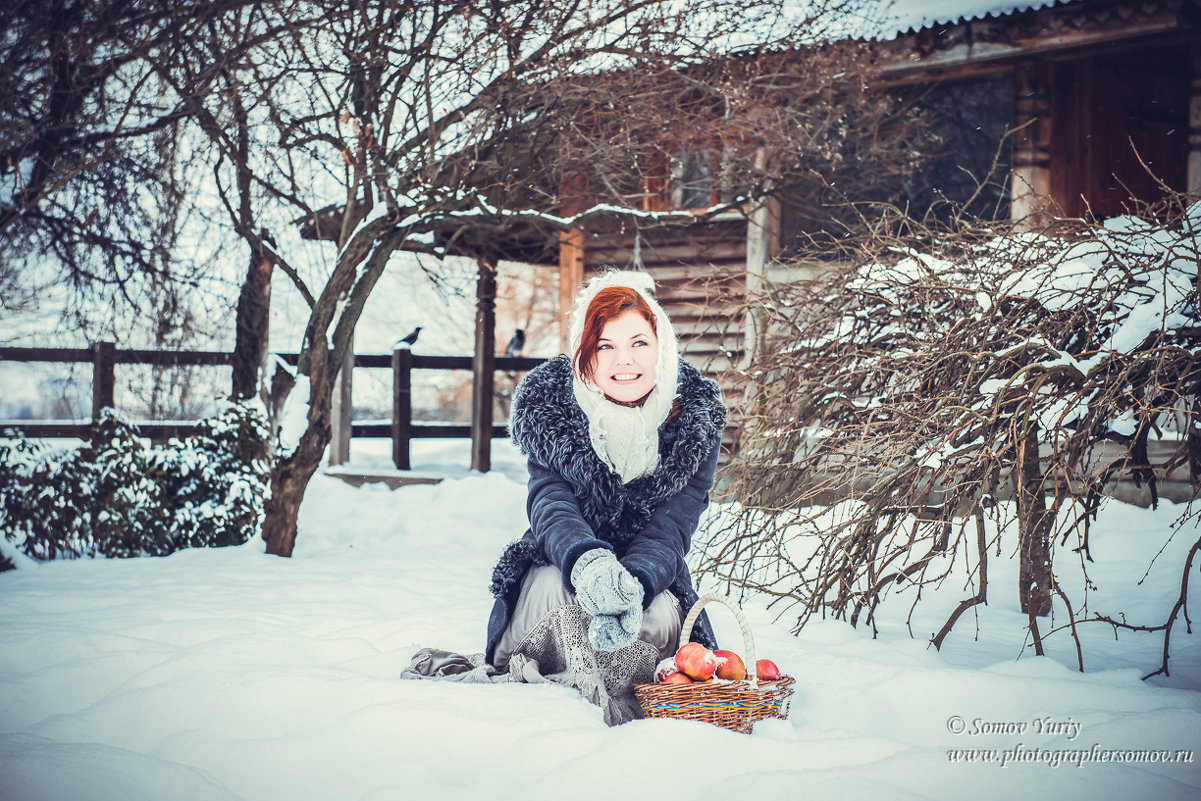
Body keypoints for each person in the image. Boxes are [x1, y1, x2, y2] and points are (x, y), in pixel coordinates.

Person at [482, 271, 726, 719]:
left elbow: (673, 525)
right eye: (605, 346)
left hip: (649, 570)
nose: (623, 361)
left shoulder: (695, 420)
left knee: (652, 620)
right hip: (562, 561)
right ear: (585, 354)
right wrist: (589, 565)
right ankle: (563, 690)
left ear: (661, 347)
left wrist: (634, 581)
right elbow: (550, 504)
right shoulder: (551, 408)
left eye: (638, 343)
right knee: (562, 599)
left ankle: (621, 684)